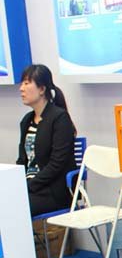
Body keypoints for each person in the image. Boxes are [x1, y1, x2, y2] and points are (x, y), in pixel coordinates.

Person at [16, 64, 77, 217]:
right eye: (22, 83)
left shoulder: (59, 118)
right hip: (29, 188)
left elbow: (56, 165)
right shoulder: (27, 120)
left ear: (42, 89)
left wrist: (29, 185)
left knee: (12, 208)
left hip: (52, 190)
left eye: (26, 83)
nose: (21, 89)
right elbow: (22, 160)